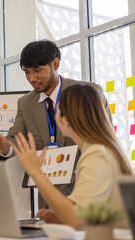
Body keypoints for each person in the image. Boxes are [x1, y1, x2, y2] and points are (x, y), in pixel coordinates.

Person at [0, 39, 112, 209]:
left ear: (55, 64)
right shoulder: (25, 103)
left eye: (37, 71)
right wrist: (6, 148)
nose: (32, 78)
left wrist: (76, 174)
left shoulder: (87, 93)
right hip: (49, 199)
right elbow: (16, 138)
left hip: (91, 193)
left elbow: (104, 142)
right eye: (27, 72)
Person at [8, 84, 133, 229]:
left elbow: (76, 219)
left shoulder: (97, 155)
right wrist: (61, 218)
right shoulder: (102, 150)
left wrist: (36, 172)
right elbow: (86, 212)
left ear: (66, 119)